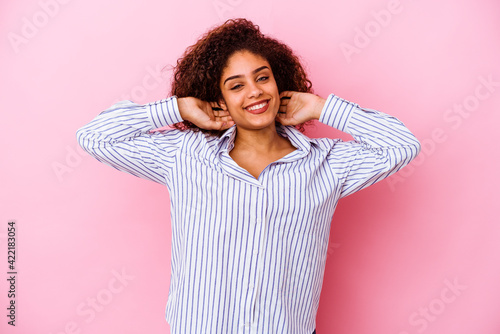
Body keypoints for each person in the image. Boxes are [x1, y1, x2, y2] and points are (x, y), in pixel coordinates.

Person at [77, 18, 420, 334]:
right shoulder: (185, 155)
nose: (254, 92)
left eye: (262, 77)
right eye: (235, 85)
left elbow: (401, 144)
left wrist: (321, 106)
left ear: (278, 81)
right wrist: (179, 107)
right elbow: (95, 137)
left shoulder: (325, 162)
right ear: (220, 98)